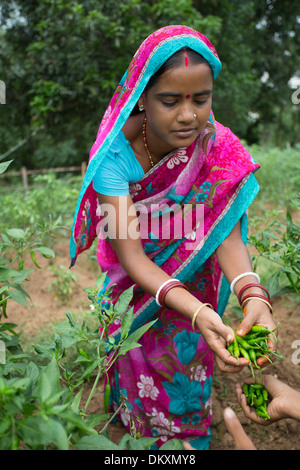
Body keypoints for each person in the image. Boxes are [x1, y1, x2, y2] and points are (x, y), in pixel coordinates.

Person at [69, 25, 277, 450]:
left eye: (201, 99)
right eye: (170, 101)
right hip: (138, 283)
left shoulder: (216, 147)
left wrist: (252, 295)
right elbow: (131, 255)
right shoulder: (115, 156)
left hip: (194, 273)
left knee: (187, 359)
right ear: (142, 97)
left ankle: (186, 439)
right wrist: (198, 312)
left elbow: (222, 231)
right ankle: (135, 436)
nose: (189, 115)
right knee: (134, 355)